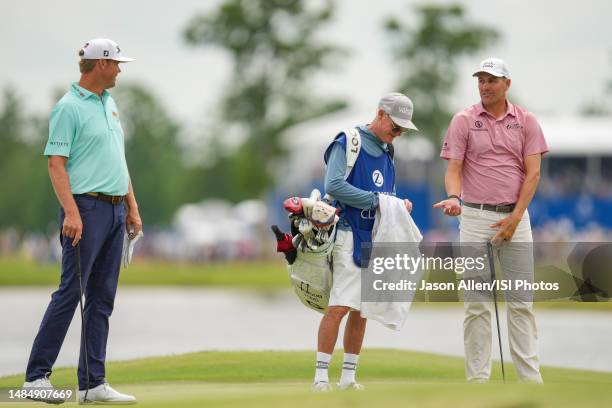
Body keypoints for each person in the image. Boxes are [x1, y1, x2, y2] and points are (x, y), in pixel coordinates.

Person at [22, 38, 142, 404]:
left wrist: (132, 208)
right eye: (117, 63)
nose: (121, 69)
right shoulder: (68, 108)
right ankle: (35, 378)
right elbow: (55, 164)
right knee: (71, 292)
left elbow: (117, 162)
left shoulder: (110, 104)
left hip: (115, 210)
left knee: (102, 298)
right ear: (101, 64)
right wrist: (72, 212)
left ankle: (92, 384)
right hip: (85, 212)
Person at [433, 58, 548, 383]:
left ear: (506, 84)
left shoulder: (526, 121)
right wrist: (454, 198)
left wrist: (515, 217)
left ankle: (530, 381)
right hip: (474, 217)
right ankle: (478, 383)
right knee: (477, 304)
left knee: (521, 303)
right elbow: (453, 169)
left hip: (516, 217)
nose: (485, 86)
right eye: (481, 80)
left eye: (492, 80)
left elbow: (533, 173)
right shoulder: (463, 120)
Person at [312, 93, 417, 391]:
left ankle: (347, 378)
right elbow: (333, 185)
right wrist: (377, 201)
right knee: (340, 306)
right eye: (395, 127)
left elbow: (385, 196)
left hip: (376, 236)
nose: (397, 134)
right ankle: (320, 377)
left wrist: (398, 205)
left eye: (402, 130)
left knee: (363, 309)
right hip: (347, 232)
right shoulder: (348, 141)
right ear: (381, 114)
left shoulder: (388, 150)